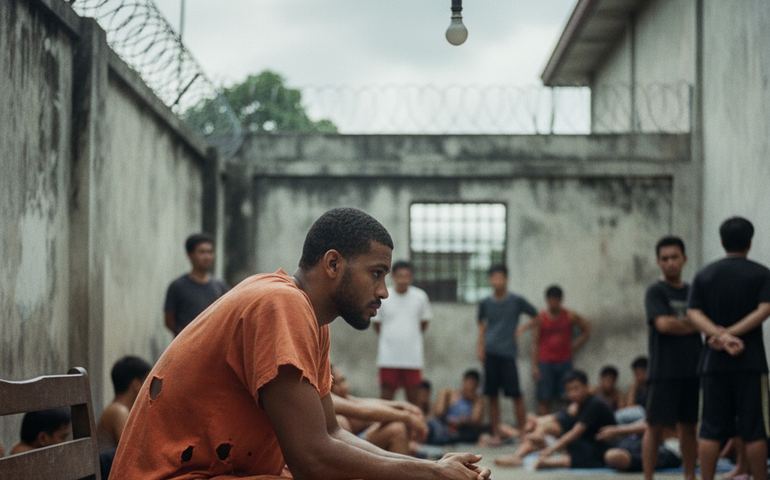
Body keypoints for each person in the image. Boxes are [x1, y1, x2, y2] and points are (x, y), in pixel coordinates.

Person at [110, 207, 491, 480]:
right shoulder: (281, 303)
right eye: (376, 274)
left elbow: (333, 433)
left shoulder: (311, 318)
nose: (384, 292)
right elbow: (313, 459)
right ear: (332, 264)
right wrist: (429, 473)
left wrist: (434, 468)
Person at [687, 216, 770, 480]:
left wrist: (720, 336)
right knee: (755, 429)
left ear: (722, 242)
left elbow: (693, 313)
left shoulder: (704, 274)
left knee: (710, 429)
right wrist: (732, 335)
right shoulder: (762, 274)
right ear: (749, 242)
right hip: (751, 362)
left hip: (714, 362)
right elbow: (765, 309)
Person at [642, 236, 701, 480]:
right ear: (658, 262)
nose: (670, 263)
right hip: (664, 370)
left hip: (692, 369)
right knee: (654, 426)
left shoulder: (693, 291)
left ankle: (690, 476)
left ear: (684, 259)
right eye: (664, 259)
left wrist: (689, 324)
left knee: (688, 427)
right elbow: (663, 325)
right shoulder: (655, 291)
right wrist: (693, 323)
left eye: (674, 257)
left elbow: (702, 324)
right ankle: (648, 477)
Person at [477, 264, 537, 444]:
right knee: (492, 395)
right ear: (489, 280)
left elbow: (536, 315)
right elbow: (482, 326)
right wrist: (480, 347)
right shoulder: (485, 303)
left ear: (506, 279)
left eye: (500, 277)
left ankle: (523, 434)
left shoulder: (516, 301)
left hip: (508, 353)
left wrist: (521, 329)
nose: (497, 281)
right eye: (493, 277)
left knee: (516, 395)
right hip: (490, 352)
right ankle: (496, 434)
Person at [518, 285, 590, 415]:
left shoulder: (569, 315)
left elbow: (586, 328)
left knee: (566, 398)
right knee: (544, 399)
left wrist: (574, 345)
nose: (553, 303)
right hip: (545, 363)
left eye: (556, 300)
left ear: (561, 300)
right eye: (551, 300)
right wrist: (535, 366)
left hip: (564, 362)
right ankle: (543, 430)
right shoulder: (541, 317)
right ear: (547, 300)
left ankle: (564, 427)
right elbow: (535, 343)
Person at [330, 366, 427, 456]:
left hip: (355, 444)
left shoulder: (344, 398)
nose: (345, 386)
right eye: (340, 381)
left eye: (344, 380)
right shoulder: (328, 398)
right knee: (396, 429)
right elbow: (364, 410)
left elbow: (365, 404)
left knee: (396, 425)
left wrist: (406, 407)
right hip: (344, 454)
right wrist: (407, 417)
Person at [372, 260, 432, 405]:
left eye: (406, 276)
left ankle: (413, 428)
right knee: (386, 397)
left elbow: (424, 323)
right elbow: (377, 324)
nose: (403, 280)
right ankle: (383, 427)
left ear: (411, 277)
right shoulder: (384, 296)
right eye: (400, 276)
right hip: (388, 357)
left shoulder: (420, 297)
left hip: (412, 357)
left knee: (413, 398)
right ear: (393, 277)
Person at [531, 370, 616, 469]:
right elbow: (558, 418)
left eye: (576, 389)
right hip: (587, 440)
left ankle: (549, 462)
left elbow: (575, 433)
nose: (572, 394)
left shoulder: (595, 403)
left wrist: (549, 451)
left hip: (604, 446)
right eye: (569, 390)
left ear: (586, 386)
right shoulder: (577, 404)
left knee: (583, 454)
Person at [163, 232, 229, 336]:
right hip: (185, 346)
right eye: (202, 252)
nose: (207, 257)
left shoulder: (220, 286)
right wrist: (186, 336)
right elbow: (169, 320)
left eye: (210, 252)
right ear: (190, 255)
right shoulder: (178, 286)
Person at [494, 402, 579, 467]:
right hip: (552, 439)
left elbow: (538, 437)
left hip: (560, 441)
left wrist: (523, 435)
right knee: (528, 442)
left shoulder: (544, 423)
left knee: (530, 441)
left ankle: (517, 457)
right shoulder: (544, 422)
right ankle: (517, 457)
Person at [97, 355, 153, 452]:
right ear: (136, 385)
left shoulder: (121, 409)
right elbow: (133, 451)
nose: (150, 387)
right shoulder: (119, 411)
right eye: (148, 381)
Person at [426, 369, 486, 445]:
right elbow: (439, 412)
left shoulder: (477, 400)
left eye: (473, 385)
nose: (470, 387)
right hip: (445, 426)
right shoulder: (449, 393)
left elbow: (476, 421)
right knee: (433, 426)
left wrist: (462, 421)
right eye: (469, 384)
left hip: (463, 431)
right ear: (463, 381)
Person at [598, 422, 682, 472]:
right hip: (638, 442)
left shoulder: (670, 451)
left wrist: (617, 431)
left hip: (668, 447)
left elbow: (654, 426)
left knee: (613, 456)